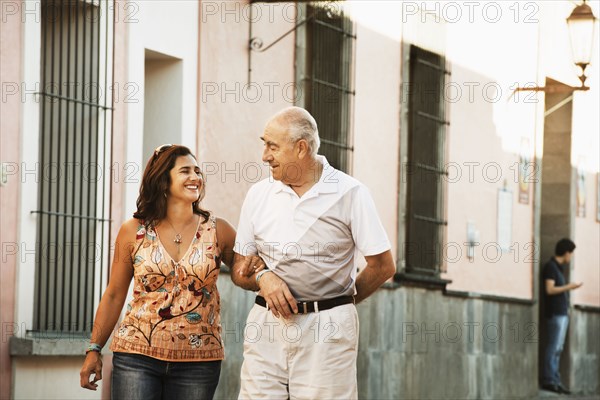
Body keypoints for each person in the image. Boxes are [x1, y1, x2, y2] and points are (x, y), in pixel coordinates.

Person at [230, 107, 396, 400]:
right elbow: (239, 266)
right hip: (266, 325)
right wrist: (263, 277)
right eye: (264, 144)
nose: (264, 155)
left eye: (272, 146)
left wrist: (339, 303)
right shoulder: (258, 194)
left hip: (327, 332)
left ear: (301, 148)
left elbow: (383, 266)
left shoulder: (350, 193)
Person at [79, 144, 263, 399]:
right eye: (185, 171)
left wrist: (261, 274)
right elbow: (114, 294)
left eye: (197, 171)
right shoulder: (133, 231)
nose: (195, 177)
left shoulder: (217, 229)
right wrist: (94, 348)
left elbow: (243, 274)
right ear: (163, 181)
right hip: (136, 356)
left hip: (198, 362)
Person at [541, 238, 582, 395]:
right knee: (554, 347)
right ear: (566, 253)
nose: (571, 257)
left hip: (562, 313)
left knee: (558, 348)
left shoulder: (558, 268)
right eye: (571, 254)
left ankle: (555, 379)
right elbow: (549, 290)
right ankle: (549, 379)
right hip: (555, 314)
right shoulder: (551, 267)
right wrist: (569, 287)